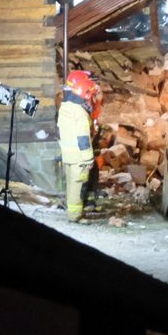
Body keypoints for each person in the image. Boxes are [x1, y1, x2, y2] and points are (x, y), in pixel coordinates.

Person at [58, 70, 101, 222]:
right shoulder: (79, 113)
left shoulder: (65, 108)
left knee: (71, 185)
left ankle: (71, 213)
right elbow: (83, 139)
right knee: (77, 186)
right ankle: (75, 216)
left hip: (68, 156)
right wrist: (89, 159)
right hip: (79, 158)